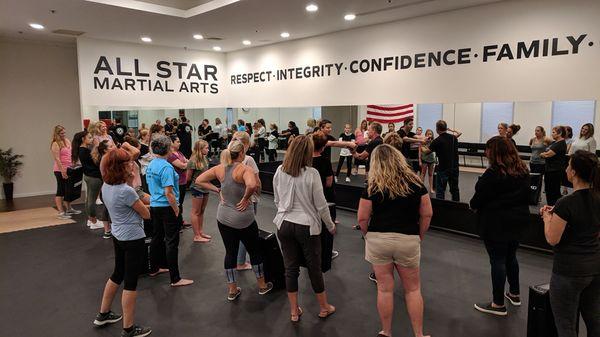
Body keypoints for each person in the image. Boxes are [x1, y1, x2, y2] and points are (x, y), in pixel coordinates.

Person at [357, 144, 432, 337]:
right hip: (408, 239)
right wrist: (420, 236)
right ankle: (419, 334)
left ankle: (386, 331)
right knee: (413, 290)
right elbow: (427, 214)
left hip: (378, 240)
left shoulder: (372, 185)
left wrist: (368, 236)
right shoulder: (416, 184)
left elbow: (362, 218)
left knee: (384, 290)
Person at [195, 140, 274, 300]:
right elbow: (252, 185)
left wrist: (217, 189)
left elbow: (199, 180)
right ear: (242, 153)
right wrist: (246, 198)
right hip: (243, 218)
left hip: (224, 217)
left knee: (230, 252)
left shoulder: (219, 168)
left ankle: (232, 290)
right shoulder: (245, 169)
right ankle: (262, 286)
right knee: (254, 251)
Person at [272, 135, 337, 322]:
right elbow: (321, 205)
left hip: (283, 224)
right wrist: (330, 225)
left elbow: (277, 199)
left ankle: (294, 312)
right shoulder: (311, 174)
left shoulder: (279, 170)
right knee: (314, 268)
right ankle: (324, 307)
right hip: (306, 227)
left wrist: (284, 212)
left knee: (290, 268)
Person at [92, 148, 152, 337]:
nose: (132, 165)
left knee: (117, 273)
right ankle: (128, 328)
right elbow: (146, 213)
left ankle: (103, 314)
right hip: (133, 238)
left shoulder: (106, 187)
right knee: (131, 282)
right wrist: (156, 204)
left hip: (118, 236)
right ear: (121, 167)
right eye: (128, 163)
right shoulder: (126, 191)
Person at [541, 150, 600, 337]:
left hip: (569, 272)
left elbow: (552, 238)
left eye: (568, 165)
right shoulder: (597, 198)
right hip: (595, 268)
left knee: (566, 326)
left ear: (573, 172)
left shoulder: (566, 203)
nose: (566, 168)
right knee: (595, 321)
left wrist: (547, 218)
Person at [470, 136, 531, 316]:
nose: (485, 152)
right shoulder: (523, 170)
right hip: (518, 220)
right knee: (511, 256)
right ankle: (514, 293)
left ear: (494, 152)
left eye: (487, 149)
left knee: (497, 260)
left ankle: (498, 304)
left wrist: (473, 206)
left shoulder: (493, 173)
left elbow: (479, 197)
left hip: (496, 222)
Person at [146, 135, 193, 287]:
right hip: (167, 207)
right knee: (172, 242)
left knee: (157, 237)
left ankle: (154, 268)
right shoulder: (166, 167)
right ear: (167, 149)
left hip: (155, 206)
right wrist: (176, 209)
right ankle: (175, 278)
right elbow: (169, 193)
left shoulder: (152, 164)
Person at [231, 131, 262, 270]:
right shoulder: (248, 159)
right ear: (246, 144)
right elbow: (256, 181)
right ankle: (241, 262)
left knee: (236, 229)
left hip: (234, 197)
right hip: (248, 198)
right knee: (247, 230)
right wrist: (257, 194)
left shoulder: (227, 158)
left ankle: (237, 259)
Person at [424, 120, 461, 201]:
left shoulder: (436, 141)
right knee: (455, 190)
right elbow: (459, 133)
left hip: (443, 169)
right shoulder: (454, 138)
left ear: (437, 129)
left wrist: (424, 143)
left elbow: (426, 152)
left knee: (440, 191)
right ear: (446, 128)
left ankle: (441, 208)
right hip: (454, 168)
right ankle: (457, 208)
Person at [73, 130, 103, 229]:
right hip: (93, 177)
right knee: (91, 200)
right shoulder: (85, 151)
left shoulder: (82, 149)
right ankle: (94, 221)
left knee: (89, 199)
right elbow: (96, 162)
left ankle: (90, 219)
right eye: (89, 137)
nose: (92, 139)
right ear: (83, 139)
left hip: (89, 176)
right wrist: (96, 147)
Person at [51, 125, 78, 219]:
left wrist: (73, 163)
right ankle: (61, 212)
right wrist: (62, 171)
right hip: (59, 170)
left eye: (64, 133)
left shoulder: (67, 141)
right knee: (61, 190)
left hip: (69, 168)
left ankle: (69, 208)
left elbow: (70, 154)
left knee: (68, 190)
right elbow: (57, 159)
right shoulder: (55, 144)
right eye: (61, 133)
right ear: (57, 134)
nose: (63, 135)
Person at [186, 140, 211, 243]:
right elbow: (188, 178)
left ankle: (200, 232)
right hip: (196, 188)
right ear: (200, 149)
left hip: (205, 187)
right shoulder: (193, 160)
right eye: (206, 148)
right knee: (196, 211)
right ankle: (196, 235)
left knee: (202, 211)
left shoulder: (205, 158)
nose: (208, 150)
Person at [94, 140, 116, 239]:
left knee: (107, 209)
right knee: (109, 209)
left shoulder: (108, 158)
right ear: (105, 150)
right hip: (109, 187)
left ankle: (108, 230)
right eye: (111, 146)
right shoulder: (106, 159)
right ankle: (108, 230)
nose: (114, 147)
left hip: (108, 187)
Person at [540, 126, 567, 206]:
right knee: (549, 190)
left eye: (554, 132)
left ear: (560, 133)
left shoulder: (560, 144)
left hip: (555, 171)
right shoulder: (555, 143)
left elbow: (547, 155)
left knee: (553, 191)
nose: (552, 134)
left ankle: (553, 208)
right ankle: (551, 207)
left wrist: (542, 154)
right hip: (550, 170)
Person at [167, 135, 189, 228]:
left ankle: (180, 221)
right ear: (171, 143)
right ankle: (177, 222)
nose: (180, 143)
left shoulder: (179, 153)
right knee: (177, 202)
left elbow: (187, 162)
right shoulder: (171, 155)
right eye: (178, 141)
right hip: (177, 182)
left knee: (181, 202)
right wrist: (187, 163)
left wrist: (186, 163)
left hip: (183, 181)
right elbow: (182, 166)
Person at [419, 129, 436, 193]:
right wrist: (420, 160)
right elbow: (421, 151)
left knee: (430, 174)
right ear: (426, 135)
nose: (429, 135)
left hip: (431, 160)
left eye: (430, 134)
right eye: (428, 134)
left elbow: (434, 150)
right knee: (423, 173)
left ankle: (431, 188)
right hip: (424, 159)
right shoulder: (423, 141)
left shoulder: (433, 142)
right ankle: (421, 187)